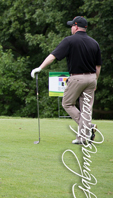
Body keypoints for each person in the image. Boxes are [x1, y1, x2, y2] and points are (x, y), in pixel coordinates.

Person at [31, 16, 102, 144]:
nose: (71, 28)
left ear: (75, 27)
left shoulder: (69, 41)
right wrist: (95, 80)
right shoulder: (94, 43)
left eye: (71, 26)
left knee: (67, 103)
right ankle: (84, 135)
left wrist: (40, 68)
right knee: (86, 109)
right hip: (92, 78)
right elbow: (98, 66)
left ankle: (88, 128)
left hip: (77, 78)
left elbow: (53, 56)